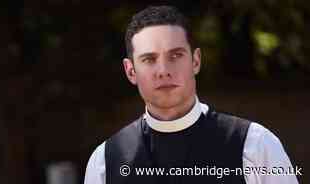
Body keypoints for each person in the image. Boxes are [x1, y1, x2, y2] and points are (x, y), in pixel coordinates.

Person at [84, 6, 299, 184]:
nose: (163, 70)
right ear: (131, 71)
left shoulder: (255, 145)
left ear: (195, 61)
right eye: (149, 59)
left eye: (175, 55)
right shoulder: (105, 161)